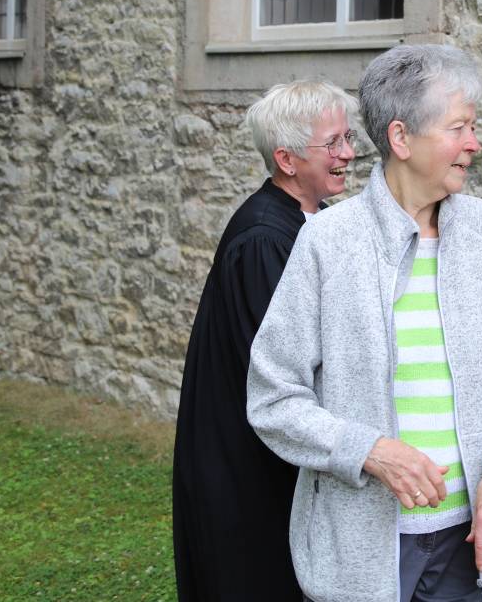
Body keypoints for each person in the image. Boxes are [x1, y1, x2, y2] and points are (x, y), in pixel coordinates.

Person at [248, 45, 482, 602]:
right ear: (401, 138)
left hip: (476, 540)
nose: (475, 143)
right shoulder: (327, 242)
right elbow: (273, 398)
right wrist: (369, 450)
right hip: (363, 551)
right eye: (459, 128)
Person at [172, 80, 359, 602]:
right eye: (333, 143)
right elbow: (290, 366)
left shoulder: (311, 221)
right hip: (247, 465)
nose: (348, 154)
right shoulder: (264, 240)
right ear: (286, 159)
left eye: (348, 138)